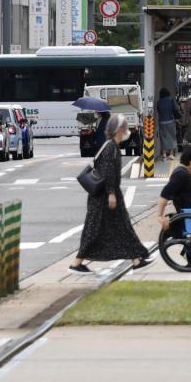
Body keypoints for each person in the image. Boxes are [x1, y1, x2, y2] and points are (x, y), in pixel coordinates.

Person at [70, 114, 153, 273]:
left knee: (121, 228)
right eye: (126, 128)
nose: (127, 130)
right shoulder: (110, 148)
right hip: (104, 198)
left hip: (108, 196)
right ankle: (76, 263)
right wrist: (111, 194)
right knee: (94, 230)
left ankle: (137, 259)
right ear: (119, 130)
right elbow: (108, 173)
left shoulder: (113, 146)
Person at [157, 88, 181, 160]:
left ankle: (164, 154)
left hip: (162, 122)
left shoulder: (159, 102)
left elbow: (158, 110)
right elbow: (177, 107)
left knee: (164, 138)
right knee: (172, 137)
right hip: (170, 121)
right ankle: (171, 154)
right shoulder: (171, 100)